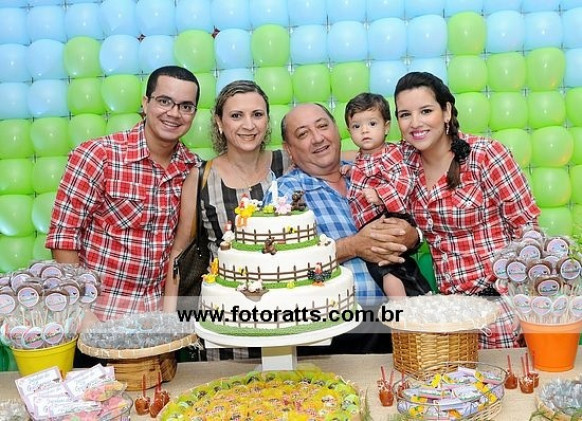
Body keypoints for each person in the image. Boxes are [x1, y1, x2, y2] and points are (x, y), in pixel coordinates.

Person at [393, 71, 540, 348]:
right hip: (452, 315)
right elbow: (364, 155)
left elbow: (528, 230)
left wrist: (529, 306)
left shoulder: (486, 155)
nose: (415, 123)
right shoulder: (402, 165)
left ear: (447, 111)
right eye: (405, 115)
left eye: (426, 111)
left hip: (502, 307)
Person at [46, 65, 202, 322]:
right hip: (99, 313)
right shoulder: (98, 156)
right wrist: (81, 311)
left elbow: (183, 249)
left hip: (157, 317)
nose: (174, 113)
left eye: (186, 106)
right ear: (146, 103)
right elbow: (64, 237)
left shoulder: (192, 169)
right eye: (164, 101)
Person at [265, 103, 421, 353]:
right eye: (303, 134)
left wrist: (413, 236)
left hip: (401, 323)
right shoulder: (285, 194)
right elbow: (283, 267)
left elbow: (411, 216)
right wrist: (352, 246)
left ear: (337, 131)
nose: (318, 138)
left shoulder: (367, 173)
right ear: (289, 149)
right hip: (334, 332)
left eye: (323, 126)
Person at [164, 80, 290, 360]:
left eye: (257, 114)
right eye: (236, 116)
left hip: (288, 314)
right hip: (225, 320)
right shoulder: (200, 178)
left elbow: (337, 157)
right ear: (219, 123)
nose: (249, 125)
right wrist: (168, 324)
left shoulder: (288, 163)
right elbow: (178, 253)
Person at [342, 93, 431, 299]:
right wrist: (350, 171)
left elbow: (405, 181)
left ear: (386, 127)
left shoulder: (390, 154)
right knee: (391, 265)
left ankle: (400, 305)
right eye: (356, 126)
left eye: (372, 124)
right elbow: (366, 172)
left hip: (389, 216)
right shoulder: (361, 158)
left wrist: (380, 195)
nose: (364, 130)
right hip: (372, 221)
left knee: (386, 268)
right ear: (349, 131)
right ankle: (419, 295)